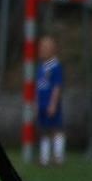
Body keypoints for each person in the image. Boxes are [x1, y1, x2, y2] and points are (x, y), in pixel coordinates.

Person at [35, 35, 65, 166]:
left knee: (56, 129)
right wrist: (36, 103)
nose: (41, 50)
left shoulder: (56, 66)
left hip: (51, 103)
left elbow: (57, 86)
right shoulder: (41, 67)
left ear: (52, 49)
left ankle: (58, 157)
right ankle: (44, 158)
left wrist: (53, 103)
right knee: (44, 129)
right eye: (40, 48)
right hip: (41, 103)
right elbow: (39, 86)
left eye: (44, 48)